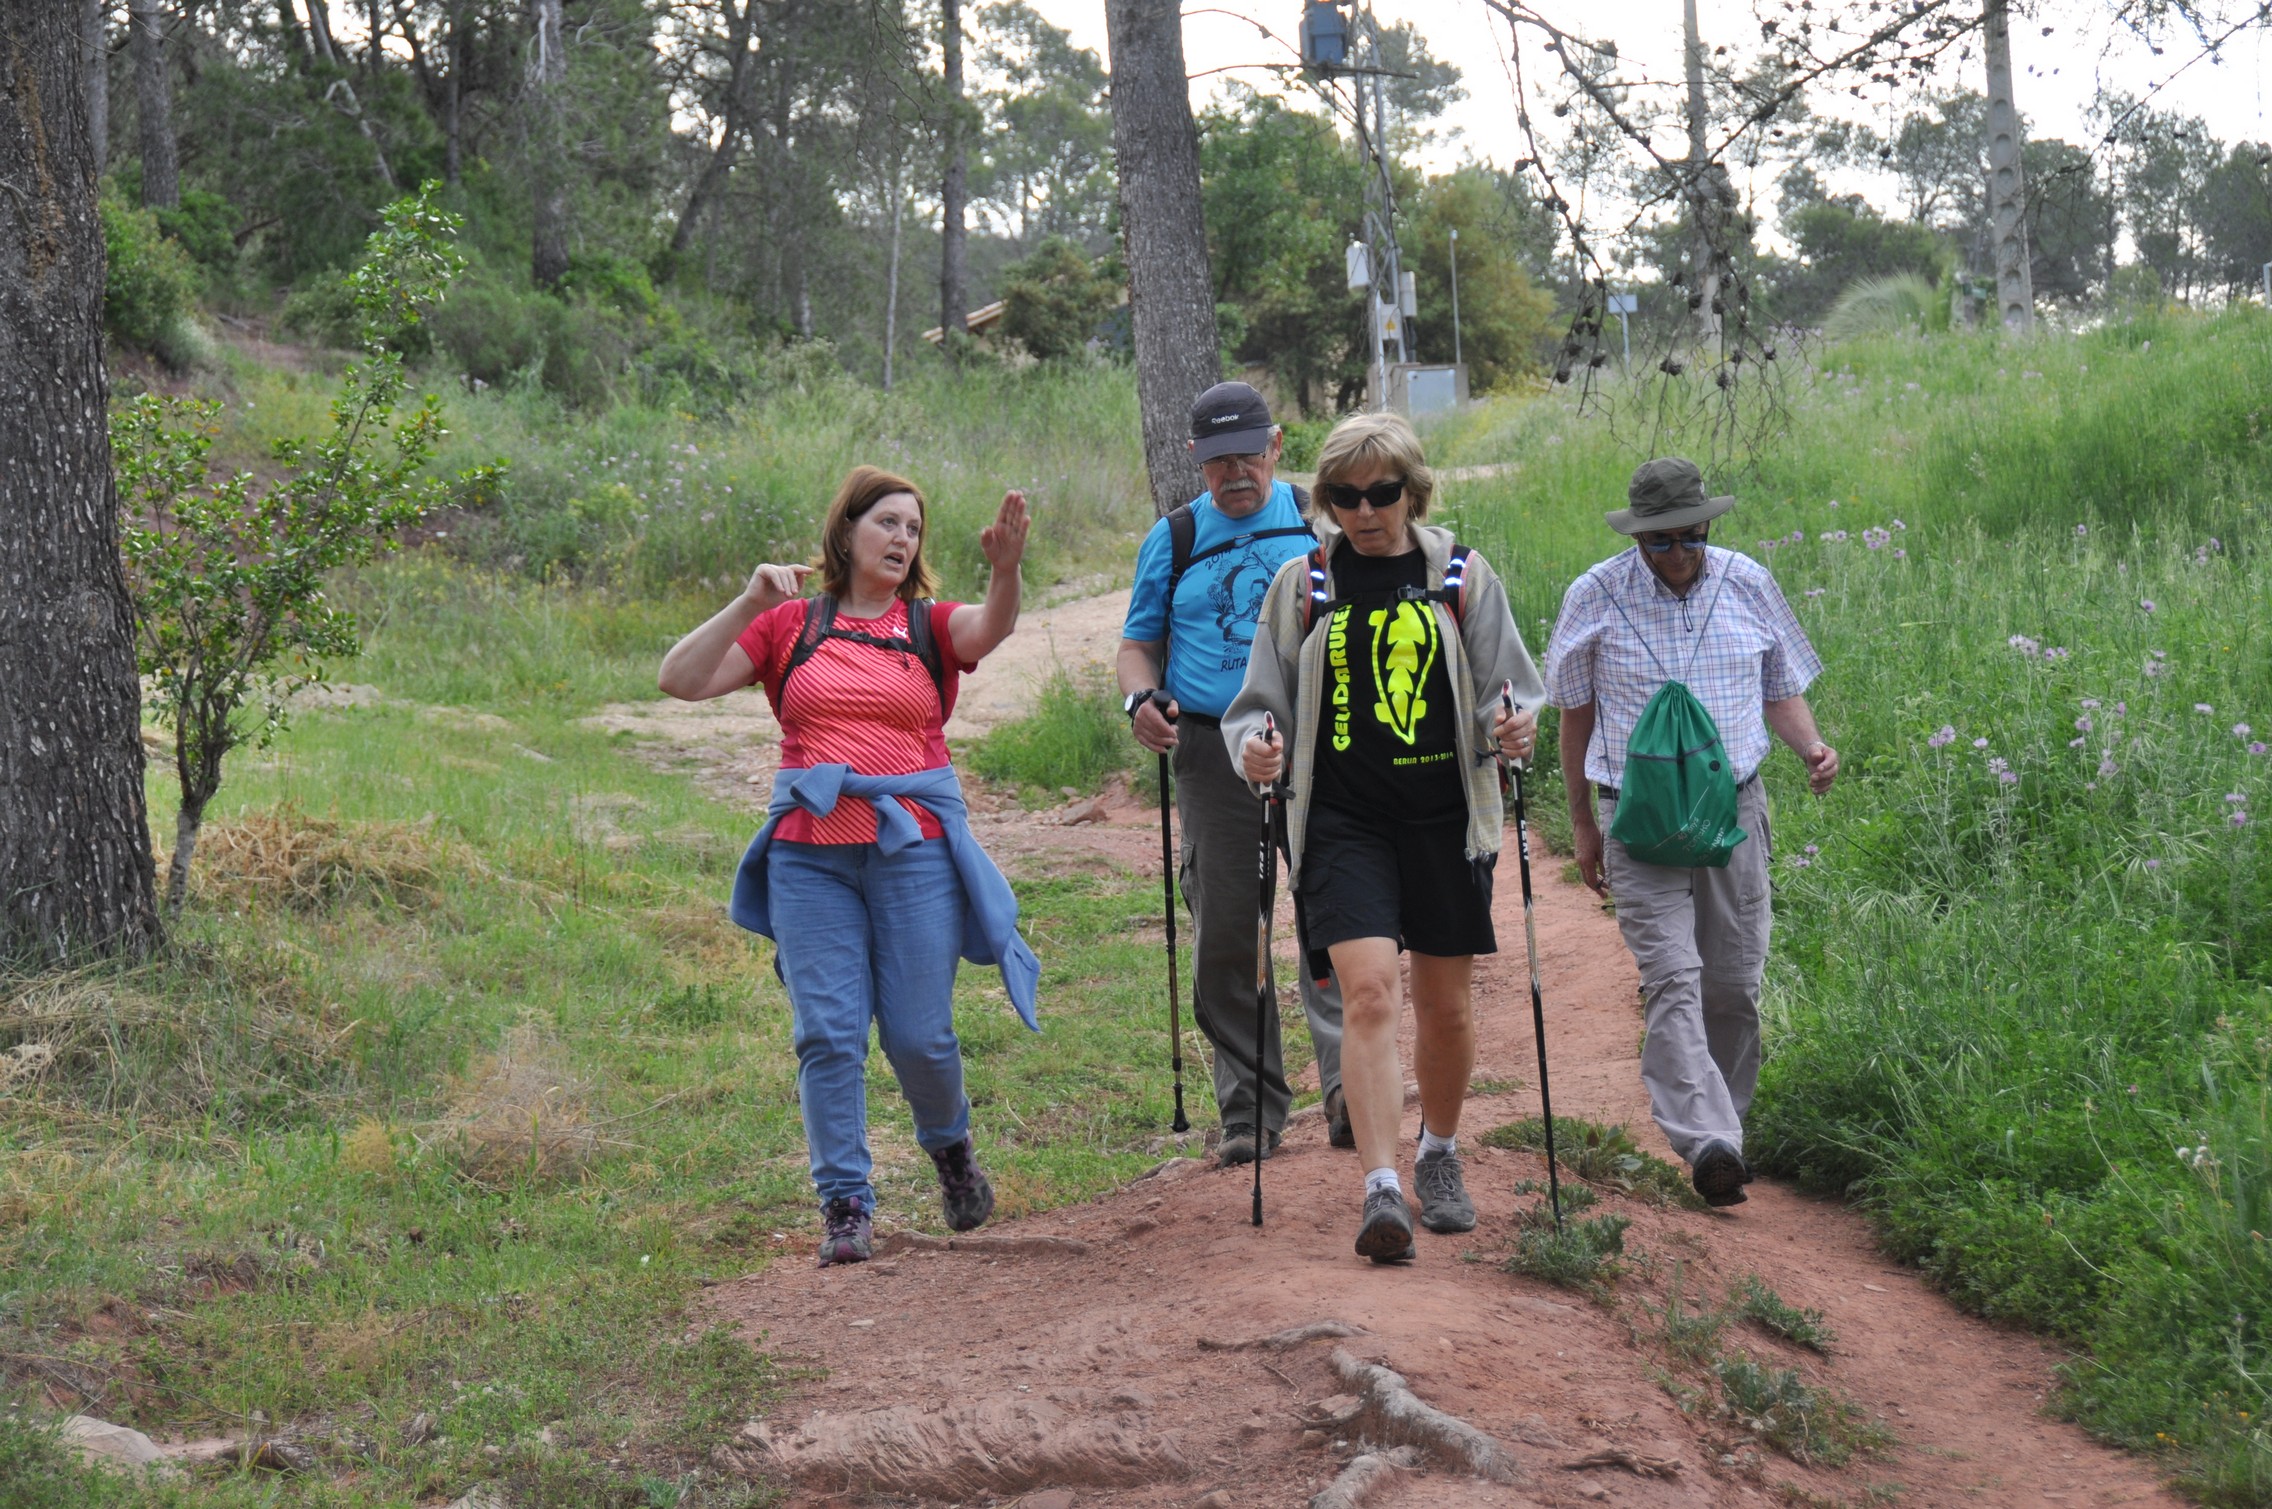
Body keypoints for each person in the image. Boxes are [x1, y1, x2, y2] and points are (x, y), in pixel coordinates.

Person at [657, 465, 1037, 1266]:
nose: (902, 538)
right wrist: (749, 602)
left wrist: (1005, 571)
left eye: (913, 529)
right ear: (847, 529)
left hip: (912, 851)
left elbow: (988, 629)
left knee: (919, 1036)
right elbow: (679, 679)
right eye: (887, 522)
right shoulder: (789, 624)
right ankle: (845, 1202)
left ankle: (951, 1149)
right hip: (809, 856)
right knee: (827, 1034)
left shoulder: (927, 626)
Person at [1224, 412, 1541, 1263]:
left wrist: (1515, 727)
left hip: (1445, 820)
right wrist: (1257, 747)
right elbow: (1258, 702)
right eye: (1345, 496)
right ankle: (1380, 1186)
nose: (1364, 511)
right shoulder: (1303, 584)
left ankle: (1438, 1151)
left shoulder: (1461, 575)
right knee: (1367, 995)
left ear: (1413, 490)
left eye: (1383, 493)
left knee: (1445, 1006)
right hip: (1342, 820)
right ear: (1326, 500)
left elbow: (1509, 687)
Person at [1542, 457, 1837, 1207]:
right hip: (1637, 816)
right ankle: (1708, 1140)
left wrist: (1811, 747)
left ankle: (1726, 1126)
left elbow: (1780, 688)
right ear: (1636, 537)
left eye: (1691, 536)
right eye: (1660, 541)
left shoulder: (1748, 582)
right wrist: (1581, 821)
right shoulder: (1594, 594)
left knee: (1732, 984)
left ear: (1708, 524)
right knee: (1674, 976)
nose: (1678, 553)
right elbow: (1575, 716)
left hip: (1732, 810)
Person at [1117, 381, 1347, 1166]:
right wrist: (1140, 698)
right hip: (1213, 751)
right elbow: (1137, 645)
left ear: (1276, 445)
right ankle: (1249, 1108)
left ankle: (1350, 1090)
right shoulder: (1175, 537)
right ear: (1196, 459)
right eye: (1218, 461)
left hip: (1321, 744)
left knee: (1335, 914)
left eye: (1249, 454)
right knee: (1226, 928)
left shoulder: (1321, 519)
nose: (1235, 472)